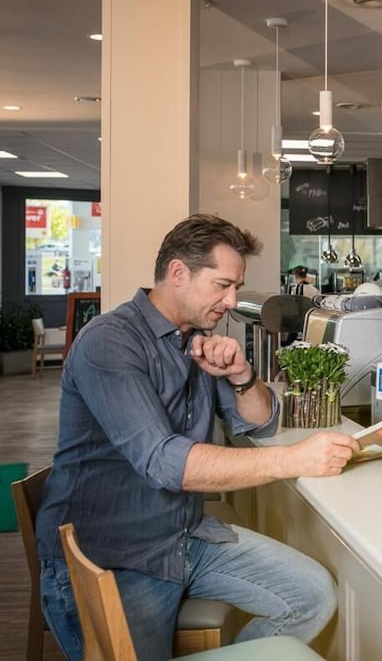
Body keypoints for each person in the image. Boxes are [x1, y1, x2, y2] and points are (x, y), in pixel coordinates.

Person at [34, 213, 359, 661]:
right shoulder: (110, 342)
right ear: (178, 273)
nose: (232, 300)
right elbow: (166, 463)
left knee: (313, 596)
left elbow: (262, 423)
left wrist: (242, 375)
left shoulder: (194, 339)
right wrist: (292, 459)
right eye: (222, 285)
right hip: (114, 555)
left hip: (182, 536)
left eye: (235, 287)